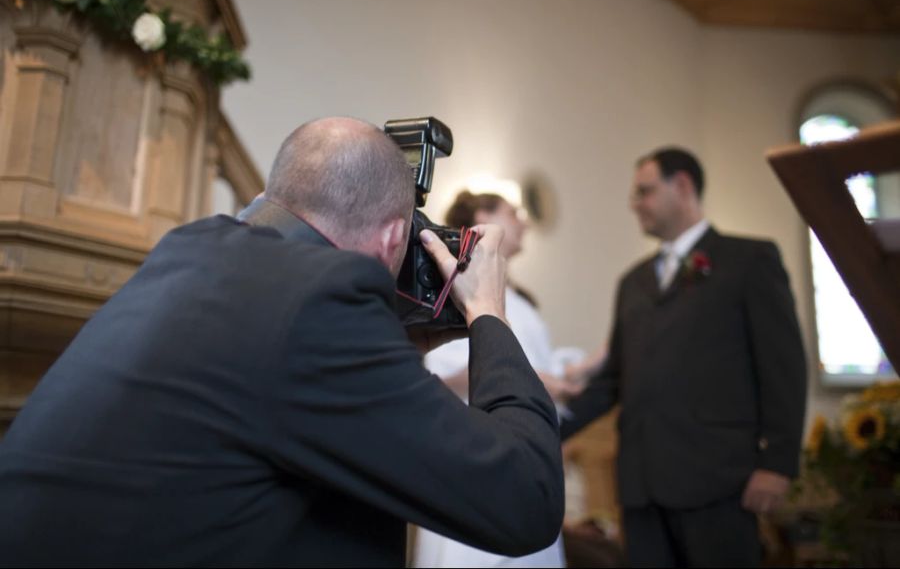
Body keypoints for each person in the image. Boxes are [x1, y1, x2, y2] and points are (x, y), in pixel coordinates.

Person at [0, 118, 565, 566]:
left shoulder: (192, 252)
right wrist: (488, 311)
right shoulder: (318, 304)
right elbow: (525, 498)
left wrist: (400, 347)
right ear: (396, 235)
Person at [559, 147, 807, 568]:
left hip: (717, 480)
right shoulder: (633, 282)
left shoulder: (748, 262)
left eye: (644, 191)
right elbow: (615, 380)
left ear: (684, 186)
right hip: (641, 484)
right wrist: (545, 425)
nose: (634, 203)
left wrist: (777, 464)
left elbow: (783, 367)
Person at [414, 191, 593, 569]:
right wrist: (535, 380)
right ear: (483, 217)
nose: (524, 222)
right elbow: (443, 372)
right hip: (479, 450)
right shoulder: (455, 287)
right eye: (514, 213)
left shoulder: (519, 298)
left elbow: (539, 360)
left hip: (528, 443)